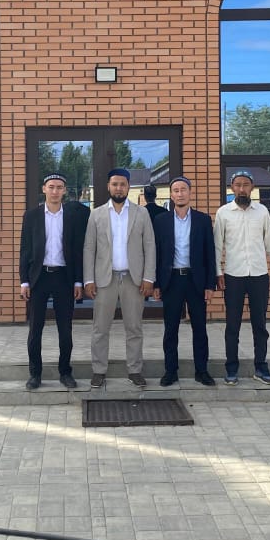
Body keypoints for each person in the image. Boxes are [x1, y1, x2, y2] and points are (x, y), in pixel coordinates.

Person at [83, 167, 156, 389]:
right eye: (115, 184)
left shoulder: (141, 213)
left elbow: (150, 246)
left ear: (128, 187)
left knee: (134, 328)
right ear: (108, 186)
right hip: (105, 279)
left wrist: (149, 278)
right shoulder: (96, 214)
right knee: (100, 328)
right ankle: (98, 371)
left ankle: (134, 370)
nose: (119, 188)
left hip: (133, 279)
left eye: (123, 184)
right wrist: (88, 279)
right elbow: (89, 248)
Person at [214, 169, 270, 385]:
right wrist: (218, 272)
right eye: (237, 185)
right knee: (232, 325)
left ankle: (261, 367)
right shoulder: (223, 213)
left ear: (252, 187)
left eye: (245, 184)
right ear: (231, 188)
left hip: (259, 275)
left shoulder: (262, 212)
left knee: (259, 324)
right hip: (233, 275)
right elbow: (217, 246)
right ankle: (231, 369)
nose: (241, 189)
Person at [18, 173, 87, 390]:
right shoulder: (32, 216)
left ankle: (65, 372)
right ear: (44, 189)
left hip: (63, 277)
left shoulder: (72, 217)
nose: (55, 191)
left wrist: (78, 281)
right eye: (51, 187)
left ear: (64, 191)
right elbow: (25, 249)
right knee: (35, 329)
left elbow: (77, 251)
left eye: (59, 187)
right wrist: (24, 281)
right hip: (39, 277)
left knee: (65, 329)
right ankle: (35, 374)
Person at [151, 176, 217, 386]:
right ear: (171, 195)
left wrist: (210, 284)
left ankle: (201, 371)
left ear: (190, 193)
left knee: (200, 328)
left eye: (183, 190)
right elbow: (156, 254)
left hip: (195, 281)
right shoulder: (161, 221)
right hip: (171, 280)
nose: (180, 194)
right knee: (170, 329)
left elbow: (210, 254)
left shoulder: (203, 220)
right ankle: (171, 371)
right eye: (176, 190)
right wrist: (156, 283)